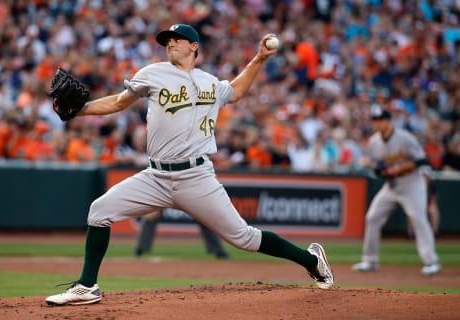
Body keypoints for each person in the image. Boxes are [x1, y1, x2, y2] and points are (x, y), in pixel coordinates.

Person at [45, 24, 333, 306]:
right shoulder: (152, 73)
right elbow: (119, 103)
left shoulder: (209, 82)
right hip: (156, 176)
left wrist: (258, 58)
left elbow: (235, 91)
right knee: (100, 210)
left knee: (244, 238)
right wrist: (79, 111)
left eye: (177, 39)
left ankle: (312, 260)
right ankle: (87, 286)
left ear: (194, 46)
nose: (170, 43)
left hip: (197, 177)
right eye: (167, 40)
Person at [352, 106, 441, 276]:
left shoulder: (404, 138)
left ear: (389, 121)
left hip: (412, 184)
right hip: (391, 186)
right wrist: (377, 168)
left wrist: (397, 170)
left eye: (381, 120)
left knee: (418, 219)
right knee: (372, 217)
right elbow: (376, 166)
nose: (378, 124)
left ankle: (431, 262)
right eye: (375, 120)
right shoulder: (373, 142)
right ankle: (370, 261)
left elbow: (422, 160)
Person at [134, 210, 230, 259]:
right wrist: (153, 207)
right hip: (166, 189)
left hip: (187, 189)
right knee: (150, 216)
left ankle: (218, 250)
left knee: (206, 217)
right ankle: (141, 248)